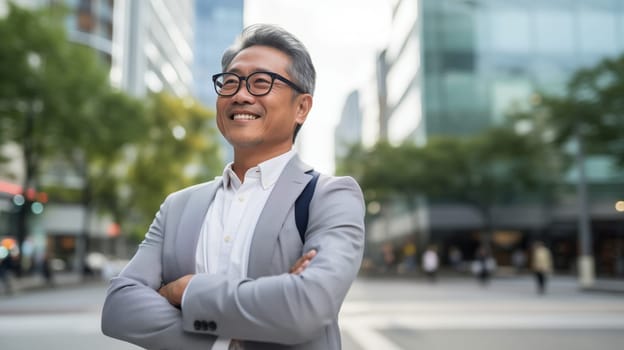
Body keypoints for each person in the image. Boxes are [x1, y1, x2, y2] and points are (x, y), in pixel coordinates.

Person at [101, 24, 365, 350]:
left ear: (302, 107)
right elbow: (119, 307)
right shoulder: (178, 206)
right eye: (230, 82)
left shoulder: (329, 197)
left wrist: (184, 291)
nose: (240, 94)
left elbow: (306, 306)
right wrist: (225, 340)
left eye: (261, 82)